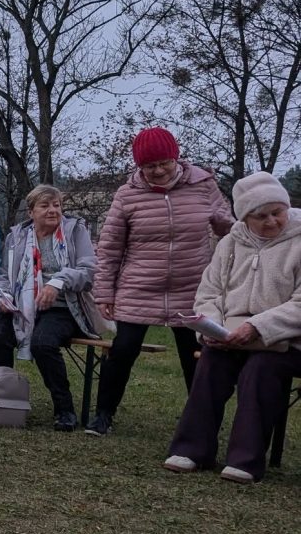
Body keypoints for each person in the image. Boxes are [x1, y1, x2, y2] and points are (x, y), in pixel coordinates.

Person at [90, 127, 234, 437]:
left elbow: (228, 226)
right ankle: (103, 415)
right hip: (137, 284)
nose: (157, 171)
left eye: (163, 163)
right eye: (149, 166)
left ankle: (200, 425)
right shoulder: (127, 194)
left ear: (176, 157)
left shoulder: (203, 185)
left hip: (191, 285)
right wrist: (104, 291)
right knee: (123, 349)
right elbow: (110, 245)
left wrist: (240, 223)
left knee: (194, 356)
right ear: (139, 167)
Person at [164, 172, 301, 483]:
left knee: (262, 367)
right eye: (260, 216)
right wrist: (213, 329)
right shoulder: (230, 243)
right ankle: (192, 450)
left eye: (277, 212)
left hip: (289, 341)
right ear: (245, 217)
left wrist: (257, 326)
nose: (271, 222)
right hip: (234, 337)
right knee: (213, 360)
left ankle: (246, 460)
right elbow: (208, 292)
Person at [0, 185, 105, 431]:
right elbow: (3, 276)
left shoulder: (75, 231)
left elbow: (89, 272)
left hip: (64, 308)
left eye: (57, 205)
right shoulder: (16, 237)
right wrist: (2, 296)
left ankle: (64, 410)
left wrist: (57, 283)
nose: (53, 211)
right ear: (31, 212)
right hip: (22, 306)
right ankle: (4, 401)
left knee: (43, 343)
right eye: (45, 205)